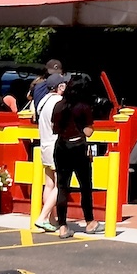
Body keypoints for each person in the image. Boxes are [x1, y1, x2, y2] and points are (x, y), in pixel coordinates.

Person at [51, 74, 97, 236]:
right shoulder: (83, 107)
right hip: (78, 147)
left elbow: (54, 128)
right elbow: (89, 132)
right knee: (85, 185)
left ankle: (63, 225)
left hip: (61, 147)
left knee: (63, 186)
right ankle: (90, 222)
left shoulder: (59, 106)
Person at [30, 61, 67, 232]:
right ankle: (43, 217)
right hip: (56, 146)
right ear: (59, 86)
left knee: (49, 184)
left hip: (44, 144)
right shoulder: (59, 102)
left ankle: (51, 219)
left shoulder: (43, 101)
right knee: (60, 185)